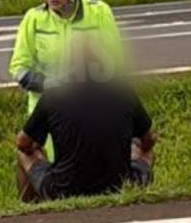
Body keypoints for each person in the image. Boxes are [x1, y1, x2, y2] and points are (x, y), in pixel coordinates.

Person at [8, 0, 124, 156]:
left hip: (89, 106)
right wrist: (48, 84)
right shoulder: (34, 19)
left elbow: (116, 62)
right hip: (47, 112)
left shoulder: (99, 13)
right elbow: (18, 67)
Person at [15, 38, 156, 202]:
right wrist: (135, 146)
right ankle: (141, 201)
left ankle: (29, 209)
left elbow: (22, 143)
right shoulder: (123, 93)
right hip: (119, 185)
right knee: (146, 151)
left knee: (24, 154)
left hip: (63, 189)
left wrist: (37, 146)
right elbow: (149, 139)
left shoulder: (53, 96)